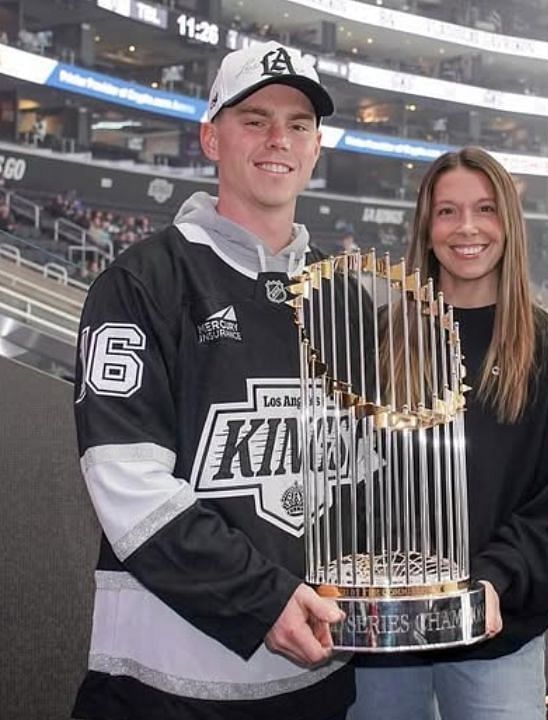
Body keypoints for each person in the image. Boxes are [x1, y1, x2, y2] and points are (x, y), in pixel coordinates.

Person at [71, 41, 353, 719]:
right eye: (254, 119)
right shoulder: (139, 284)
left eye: (298, 124)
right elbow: (128, 484)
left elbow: (361, 477)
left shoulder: (347, 297)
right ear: (209, 136)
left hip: (323, 682)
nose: (278, 139)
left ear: (316, 148)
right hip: (165, 686)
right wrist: (263, 599)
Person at [348, 146, 548, 720]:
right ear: (426, 226)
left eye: (485, 209)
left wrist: (492, 579)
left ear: (508, 223)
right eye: (448, 211)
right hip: (384, 637)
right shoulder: (378, 342)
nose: (467, 228)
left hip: (496, 638)